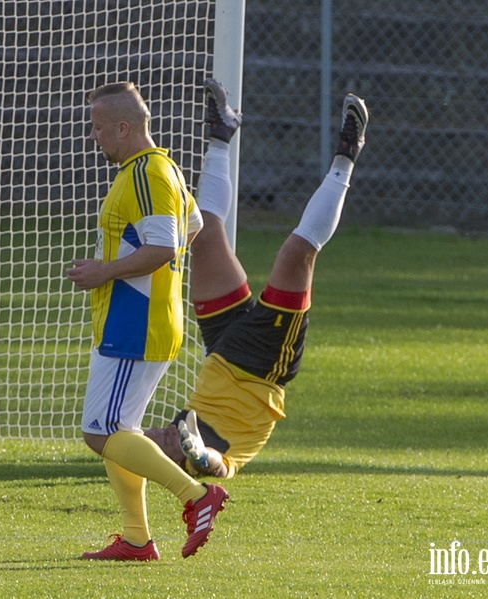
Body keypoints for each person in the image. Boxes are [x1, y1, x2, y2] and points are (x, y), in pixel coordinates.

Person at [144, 79, 369, 479]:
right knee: (298, 253)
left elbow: (128, 440)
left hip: (221, 347)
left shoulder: (172, 434)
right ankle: (347, 155)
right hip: (261, 365)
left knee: (204, 232)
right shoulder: (208, 451)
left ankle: (221, 133)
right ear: (179, 460)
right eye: (159, 442)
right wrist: (197, 453)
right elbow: (220, 468)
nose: (156, 433)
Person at [66, 81, 229, 561]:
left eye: (98, 128)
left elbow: (162, 248)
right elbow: (192, 227)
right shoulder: (165, 171)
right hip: (139, 318)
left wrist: (106, 270)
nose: (94, 137)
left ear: (123, 126)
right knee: (120, 431)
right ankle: (137, 538)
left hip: (136, 321)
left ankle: (197, 497)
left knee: (100, 433)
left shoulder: (147, 173)